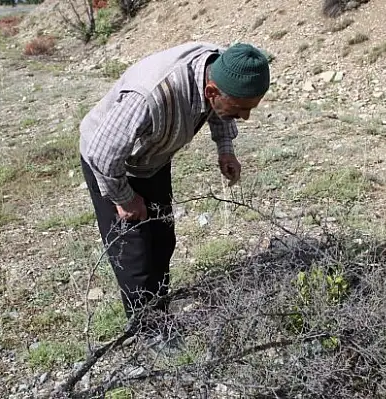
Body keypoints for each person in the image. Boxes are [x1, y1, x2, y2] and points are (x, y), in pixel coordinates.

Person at [78, 41, 270, 325]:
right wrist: (124, 198)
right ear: (211, 91)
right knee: (135, 252)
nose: (245, 116)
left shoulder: (217, 68)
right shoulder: (150, 95)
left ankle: (159, 310)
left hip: (152, 159)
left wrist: (225, 148)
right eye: (241, 109)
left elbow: (220, 109)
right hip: (111, 164)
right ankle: (147, 331)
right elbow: (102, 155)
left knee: (162, 239)